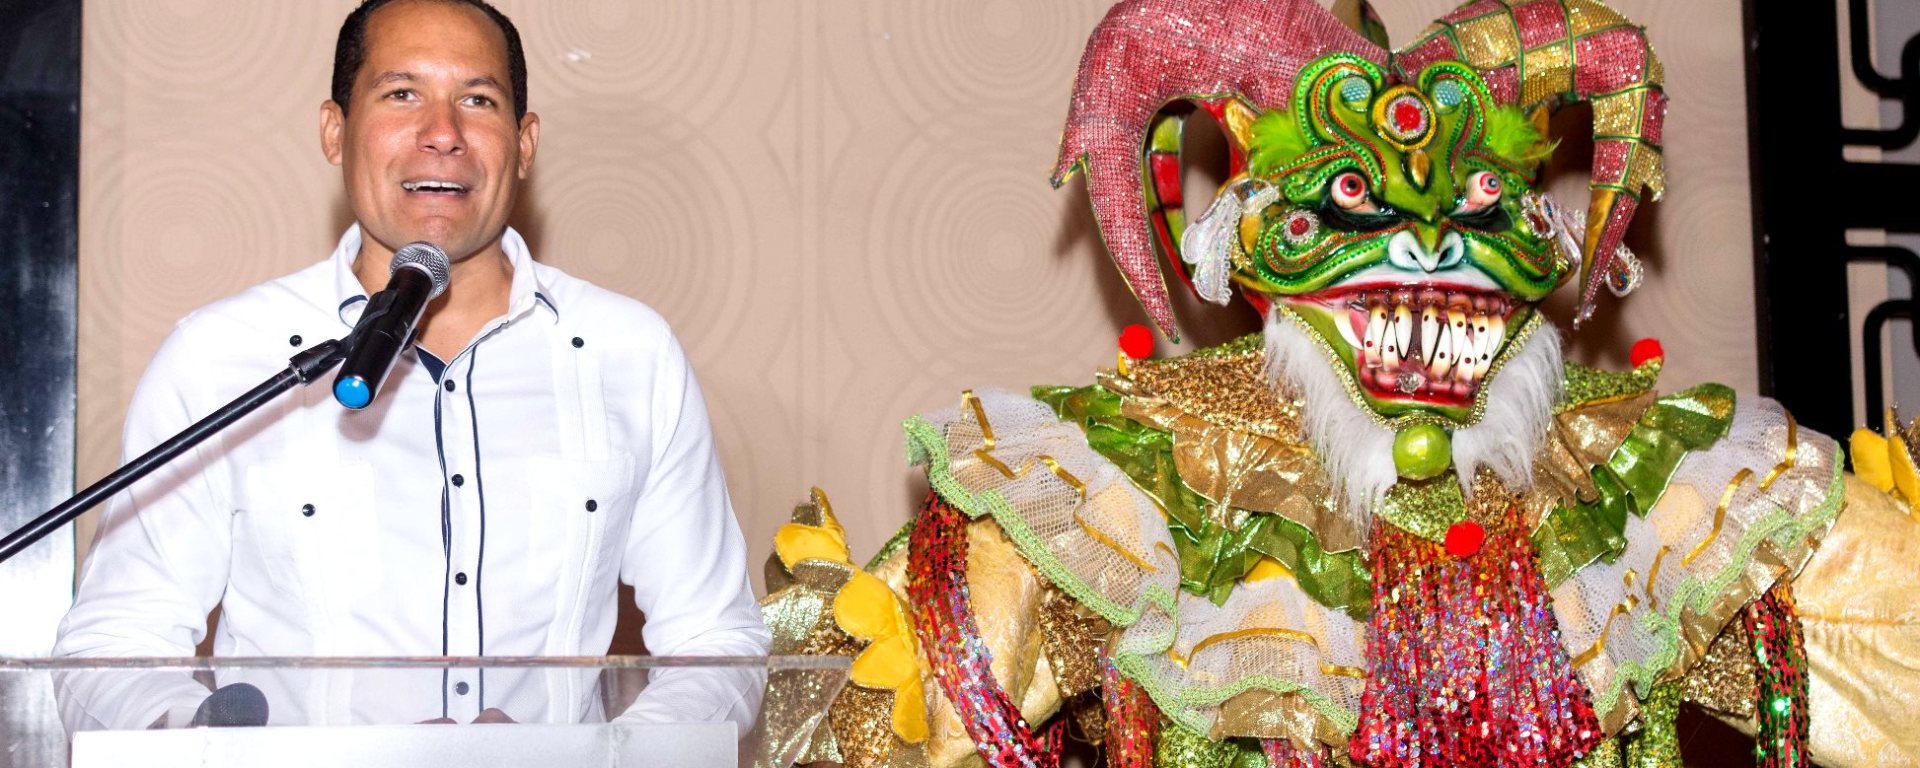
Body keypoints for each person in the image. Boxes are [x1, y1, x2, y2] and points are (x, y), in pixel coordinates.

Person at [54, 0, 769, 731]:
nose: (442, 133)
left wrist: (598, 759)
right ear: (335, 131)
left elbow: (716, 644)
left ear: (524, 143)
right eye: (402, 94)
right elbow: (112, 648)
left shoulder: (630, 353)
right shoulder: (222, 356)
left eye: (477, 100)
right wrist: (216, 750)